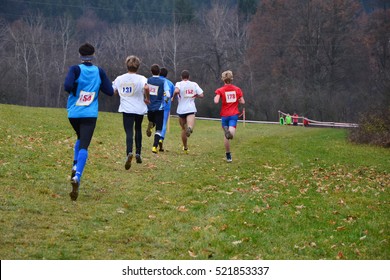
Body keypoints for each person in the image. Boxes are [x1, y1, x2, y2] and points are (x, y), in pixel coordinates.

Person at [63, 43, 114, 201]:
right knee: (84, 144)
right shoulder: (99, 71)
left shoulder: (75, 69)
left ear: (80, 54)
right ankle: (77, 175)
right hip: (90, 114)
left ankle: (74, 164)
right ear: (93, 54)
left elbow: (67, 86)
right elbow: (110, 91)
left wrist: (75, 90)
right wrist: (95, 88)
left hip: (74, 113)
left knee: (79, 137)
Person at [112, 55, 150, 170]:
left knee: (129, 131)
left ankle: (129, 152)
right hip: (139, 108)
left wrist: (120, 93)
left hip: (126, 108)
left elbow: (113, 91)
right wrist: (147, 98)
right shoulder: (142, 78)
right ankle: (138, 152)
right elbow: (147, 88)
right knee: (138, 129)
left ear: (126, 65)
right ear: (138, 66)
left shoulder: (119, 79)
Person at [214, 70, 245, 163]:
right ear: (231, 79)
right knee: (230, 135)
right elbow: (243, 101)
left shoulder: (220, 90)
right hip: (233, 114)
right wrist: (238, 100)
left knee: (226, 135)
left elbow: (216, 101)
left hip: (224, 115)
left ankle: (228, 155)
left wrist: (216, 98)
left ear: (223, 79)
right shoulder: (237, 89)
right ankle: (229, 132)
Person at [173, 70, 204, 153]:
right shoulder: (194, 84)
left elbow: (176, 91)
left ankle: (185, 147)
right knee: (190, 125)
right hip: (191, 108)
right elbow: (201, 95)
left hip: (181, 109)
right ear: (189, 77)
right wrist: (195, 95)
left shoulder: (179, 83)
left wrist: (173, 98)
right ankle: (189, 128)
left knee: (183, 129)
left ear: (181, 77)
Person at [146, 64, 171, 153]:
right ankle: (154, 146)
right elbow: (168, 94)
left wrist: (146, 99)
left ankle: (151, 124)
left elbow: (144, 90)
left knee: (152, 121)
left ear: (151, 71)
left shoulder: (148, 80)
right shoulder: (163, 81)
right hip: (159, 107)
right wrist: (166, 101)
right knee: (159, 129)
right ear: (159, 72)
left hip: (149, 106)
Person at [158, 67, 175, 152]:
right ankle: (161, 138)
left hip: (156, 104)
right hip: (166, 105)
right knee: (164, 122)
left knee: (156, 122)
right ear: (166, 74)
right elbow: (171, 95)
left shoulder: (156, 81)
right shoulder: (170, 84)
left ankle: (155, 135)